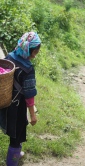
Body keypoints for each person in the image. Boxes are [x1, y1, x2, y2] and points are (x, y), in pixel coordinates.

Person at [0, 31, 41, 166]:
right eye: (36, 50)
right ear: (30, 50)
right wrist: (33, 115)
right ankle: (12, 162)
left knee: (14, 130)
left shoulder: (9, 57)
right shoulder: (28, 69)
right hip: (17, 107)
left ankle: (17, 154)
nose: (37, 53)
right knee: (16, 136)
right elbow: (29, 95)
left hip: (5, 101)